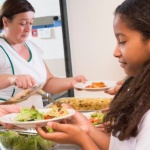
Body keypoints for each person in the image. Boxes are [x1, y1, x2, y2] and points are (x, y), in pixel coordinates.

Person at [36, 0, 150, 149]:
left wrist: (82, 139)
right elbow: (118, 147)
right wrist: (86, 127)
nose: (115, 52)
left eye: (122, 41)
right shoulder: (140, 92)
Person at [0, 0, 86, 108]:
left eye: (30, 23)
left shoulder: (32, 47)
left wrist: (72, 82)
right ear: (6, 22)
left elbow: (48, 82)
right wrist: (11, 79)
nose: (28, 29)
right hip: (6, 120)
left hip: (34, 118)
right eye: (22, 23)